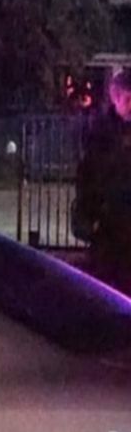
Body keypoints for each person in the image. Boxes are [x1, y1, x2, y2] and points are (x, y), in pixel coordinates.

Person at [74, 68, 131, 294]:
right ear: (115, 97)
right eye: (128, 99)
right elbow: (88, 175)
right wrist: (91, 217)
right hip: (108, 225)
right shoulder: (101, 132)